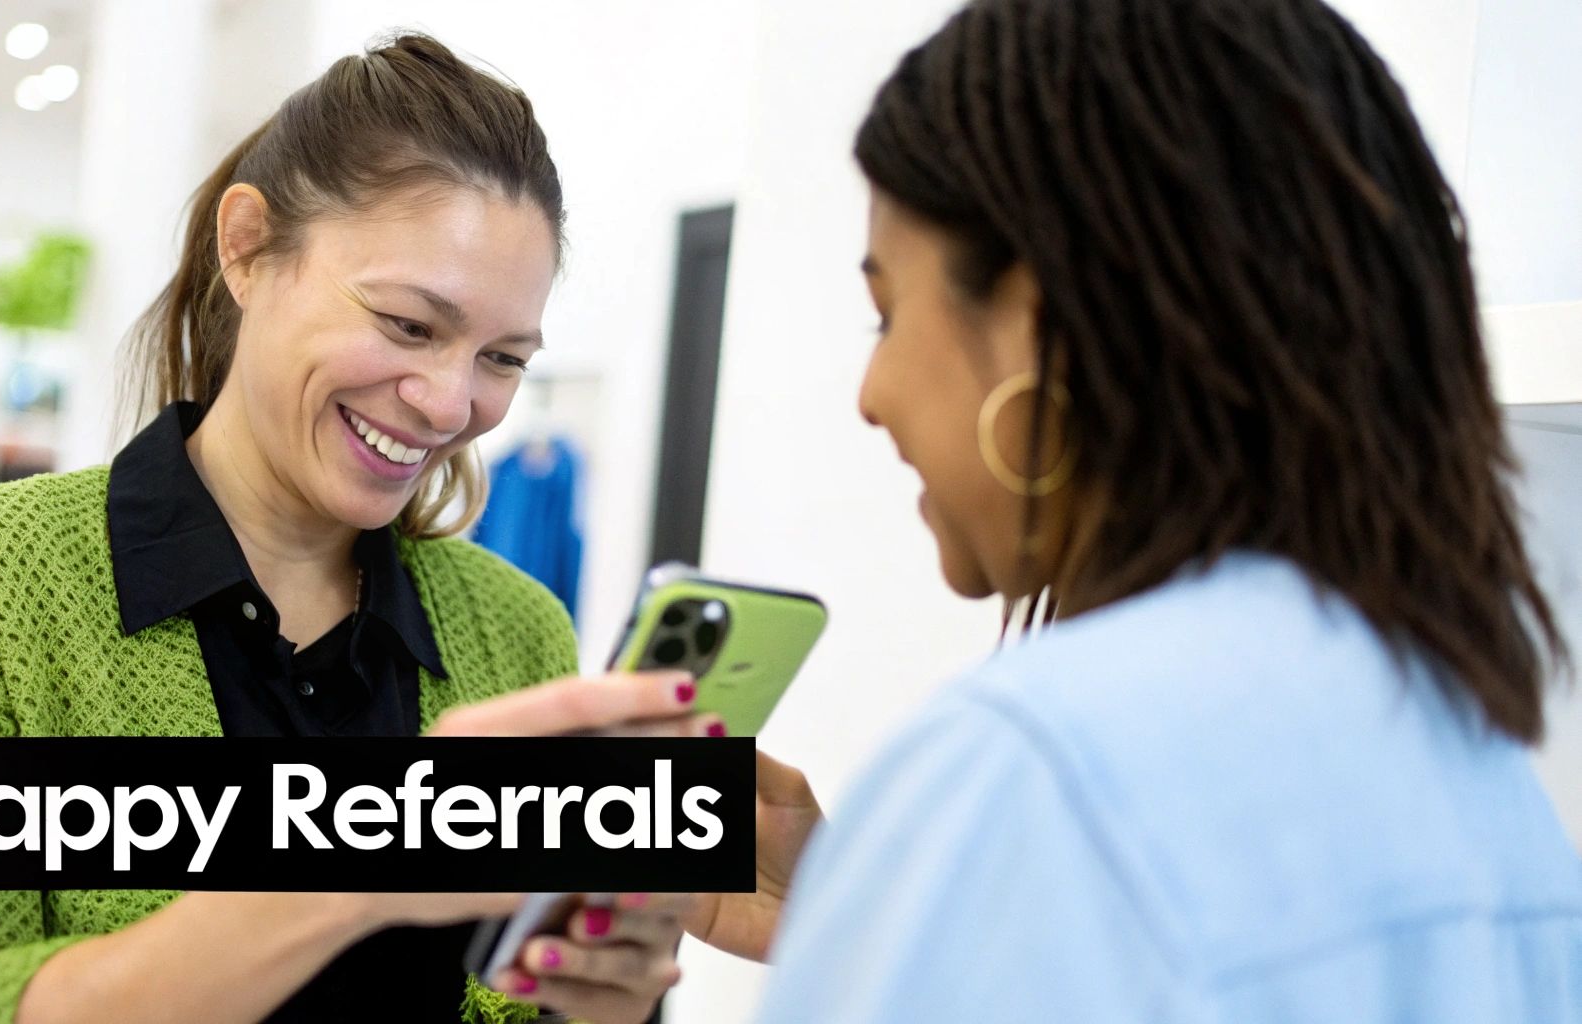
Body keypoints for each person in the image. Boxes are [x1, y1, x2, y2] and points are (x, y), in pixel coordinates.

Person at [678, 0, 1582, 1020]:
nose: (869, 393)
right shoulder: (1491, 788)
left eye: (885, 314)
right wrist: (879, 920)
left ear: (1035, 319)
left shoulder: (1026, 773)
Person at [0, 35, 710, 1024]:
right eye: (408, 325)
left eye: (502, 358)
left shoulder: (517, 633)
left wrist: (603, 1000)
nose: (452, 403)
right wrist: (352, 871)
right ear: (247, 248)